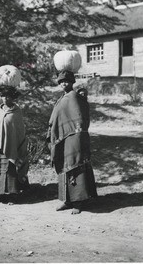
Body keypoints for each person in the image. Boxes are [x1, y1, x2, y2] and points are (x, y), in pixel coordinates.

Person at [47, 70, 97, 214]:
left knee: (76, 166)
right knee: (64, 166)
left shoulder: (74, 97)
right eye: (61, 82)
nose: (64, 84)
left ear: (72, 82)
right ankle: (67, 200)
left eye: (67, 81)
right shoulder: (62, 98)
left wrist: (77, 133)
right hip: (63, 138)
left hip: (74, 138)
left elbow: (80, 118)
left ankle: (79, 202)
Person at [0, 85, 29, 204]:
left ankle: (13, 195)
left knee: (11, 170)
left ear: (13, 98)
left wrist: (19, 146)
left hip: (12, 147)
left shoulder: (16, 112)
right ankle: (1, 195)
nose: (5, 99)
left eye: (8, 96)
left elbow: (19, 130)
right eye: (3, 96)